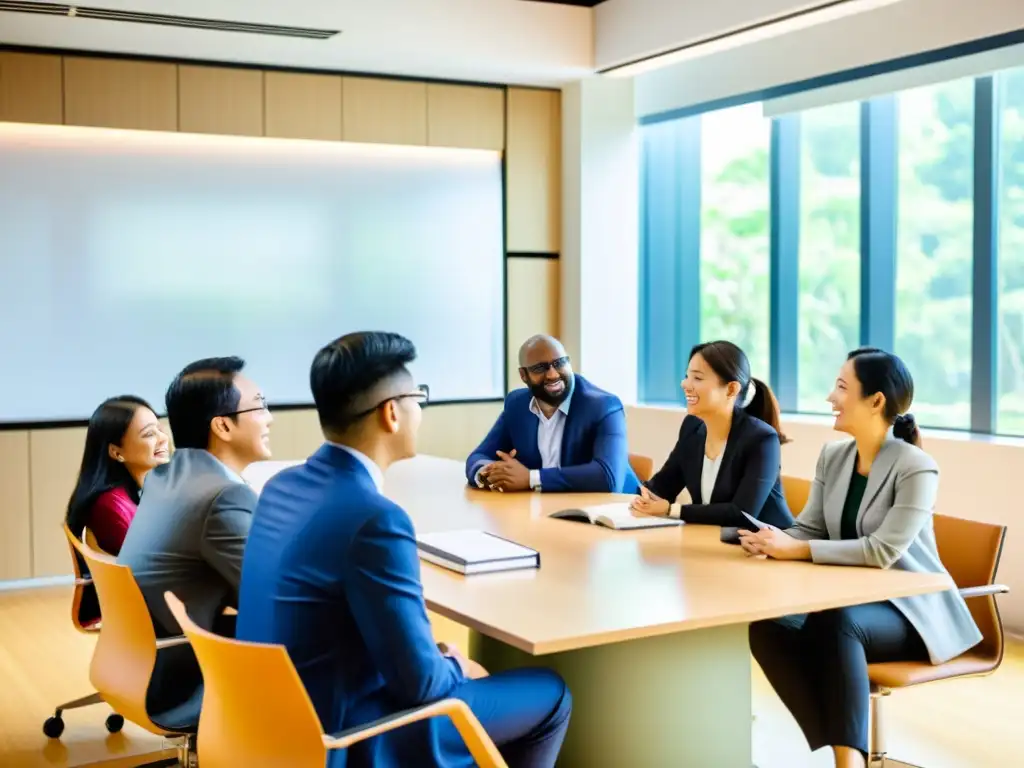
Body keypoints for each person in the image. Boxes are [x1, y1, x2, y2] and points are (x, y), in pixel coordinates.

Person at [237, 332, 572, 768]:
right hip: (348, 736)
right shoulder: (375, 519)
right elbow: (423, 687)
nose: (421, 409)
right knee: (551, 694)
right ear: (391, 413)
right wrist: (453, 661)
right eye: (419, 397)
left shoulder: (281, 486)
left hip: (271, 723)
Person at [739, 348, 982, 768]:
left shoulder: (916, 467)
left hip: (912, 612)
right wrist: (771, 539)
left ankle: (847, 763)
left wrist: (795, 548)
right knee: (768, 626)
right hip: (852, 603)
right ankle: (844, 747)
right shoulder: (834, 457)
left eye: (841, 387)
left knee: (837, 622)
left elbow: (884, 550)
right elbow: (811, 529)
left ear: (876, 401)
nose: (831, 398)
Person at [118, 357, 272, 722]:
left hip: (137, 661)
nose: (270, 417)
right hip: (181, 678)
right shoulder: (222, 497)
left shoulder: (165, 477)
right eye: (261, 405)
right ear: (223, 426)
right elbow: (270, 597)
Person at [629, 341, 794, 529]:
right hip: (715, 543)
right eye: (686, 376)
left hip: (769, 551)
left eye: (697, 378)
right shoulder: (692, 428)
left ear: (731, 389)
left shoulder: (762, 439)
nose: (685, 384)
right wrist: (639, 497)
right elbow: (660, 488)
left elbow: (742, 514)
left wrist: (672, 510)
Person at [465, 334, 638, 493]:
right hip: (549, 509)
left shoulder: (604, 406)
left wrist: (531, 478)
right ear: (523, 375)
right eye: (540, 368)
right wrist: (490, 474)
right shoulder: (517, 405)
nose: (553, 374)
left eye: (559, 363)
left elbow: (608, 478)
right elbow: (479, 456)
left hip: (618, 513)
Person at [66, 395, 170, 555]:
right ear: (116, 452)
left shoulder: (134, 495)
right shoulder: (111, 508)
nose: (163, 438)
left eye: (159, 429)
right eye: (149, 434)